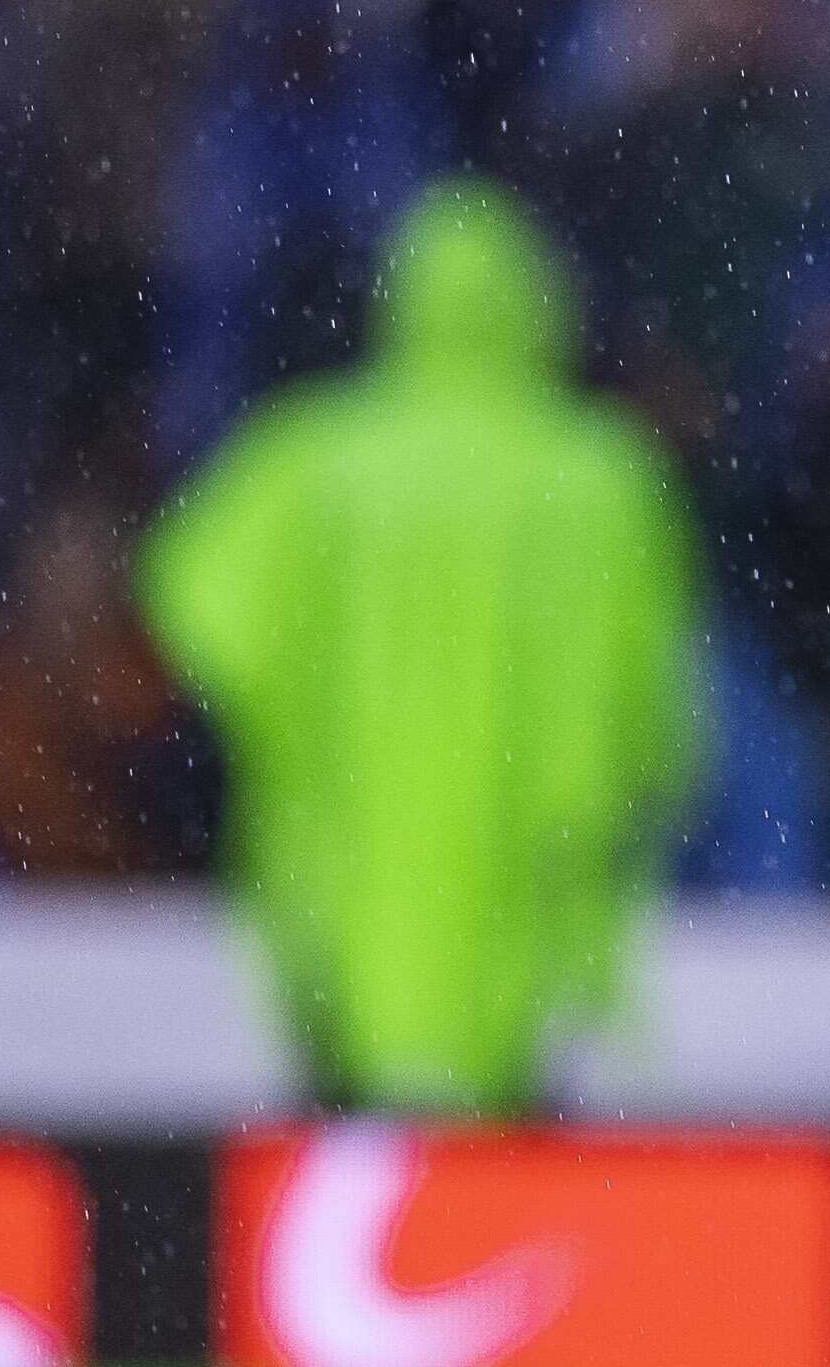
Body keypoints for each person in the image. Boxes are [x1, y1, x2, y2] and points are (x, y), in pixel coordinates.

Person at [134, 176, 697, 1115]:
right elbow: (655, 705)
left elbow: (191, 610)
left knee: (344, 1166)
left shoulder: (309, 462)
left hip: (340, 891)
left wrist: (316, 702)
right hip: (534, 900)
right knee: (510, 1185)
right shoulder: (603, 480)